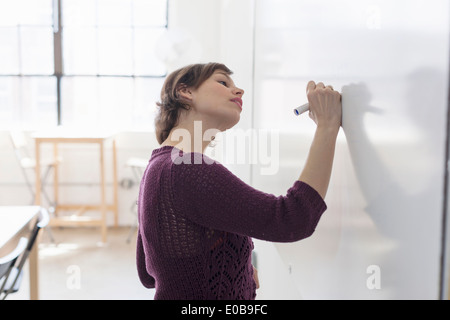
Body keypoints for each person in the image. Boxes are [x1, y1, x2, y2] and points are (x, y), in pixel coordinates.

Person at [136, 62, 342, 300]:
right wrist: (327, 126)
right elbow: (292, 219)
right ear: (186, 92)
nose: (239, 91)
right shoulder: (187, 169)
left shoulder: (157, 167)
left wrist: (236, 268)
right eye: (223, 82)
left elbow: (148, 273)